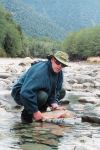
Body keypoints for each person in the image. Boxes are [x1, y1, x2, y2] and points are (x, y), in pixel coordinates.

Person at [11, 51, 69, 123]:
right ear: (52, 59)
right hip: (20, 94)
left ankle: (41, 108)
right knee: (42, 96)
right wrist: (35, 111)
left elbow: (55, 91)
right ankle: (27, 113)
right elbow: (25, 92)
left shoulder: (59, 73)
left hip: (38, 90)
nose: (60, 66)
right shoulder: (40, 71)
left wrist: (56, 108)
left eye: (63, 65)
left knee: (62, 91)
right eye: (58, 63)